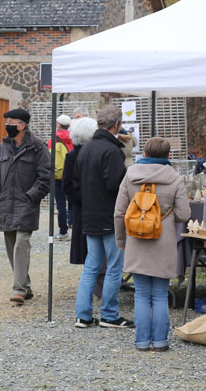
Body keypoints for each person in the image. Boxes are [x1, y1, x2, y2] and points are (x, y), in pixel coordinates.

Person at [113, 137, 191, 351]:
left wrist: (121, 240)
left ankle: (141, 341)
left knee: (141, 294)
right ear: (168, 156)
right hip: (163, 242)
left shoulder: (131, 175)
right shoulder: (175, 178)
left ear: (145, 154)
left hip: (136, 240)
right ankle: (160, 341)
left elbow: (119, 212)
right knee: (159, 294)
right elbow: (184, 214)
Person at [73, 106, 131, 329]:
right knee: (114, 267)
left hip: (89, 215)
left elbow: (77, 186)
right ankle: (109, 314)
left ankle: (83, 315)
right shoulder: (112, 151)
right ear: (116, 125)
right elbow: (115, 185)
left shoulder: (86, 149)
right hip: (109, 216)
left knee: (91, 266)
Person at [0, 108, 50, 304]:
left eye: (11, 122)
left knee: (21, 244)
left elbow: (46, 177)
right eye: (6, 122)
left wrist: (31, 196)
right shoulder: (4, 146)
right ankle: (26, 285)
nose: (8, 126)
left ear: (22, 125)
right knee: (10, 246)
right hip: (5, 204)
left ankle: (19, 289)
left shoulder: (38, 147)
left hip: (26, 204)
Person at [63, 117, 97, 266]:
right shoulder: (73, 156)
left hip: (84, 204)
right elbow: (67, 183)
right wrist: (77, 199)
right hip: (82, 205)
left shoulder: (79, 154)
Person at [48, 114, 74, 241]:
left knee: (61, 205)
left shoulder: (54, 138)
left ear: (58, 125)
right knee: (74, 202)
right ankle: (74, 224)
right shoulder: (74, 136)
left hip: (58, 175)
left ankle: (63, 231)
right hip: (73, 174)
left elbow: (48, 154)